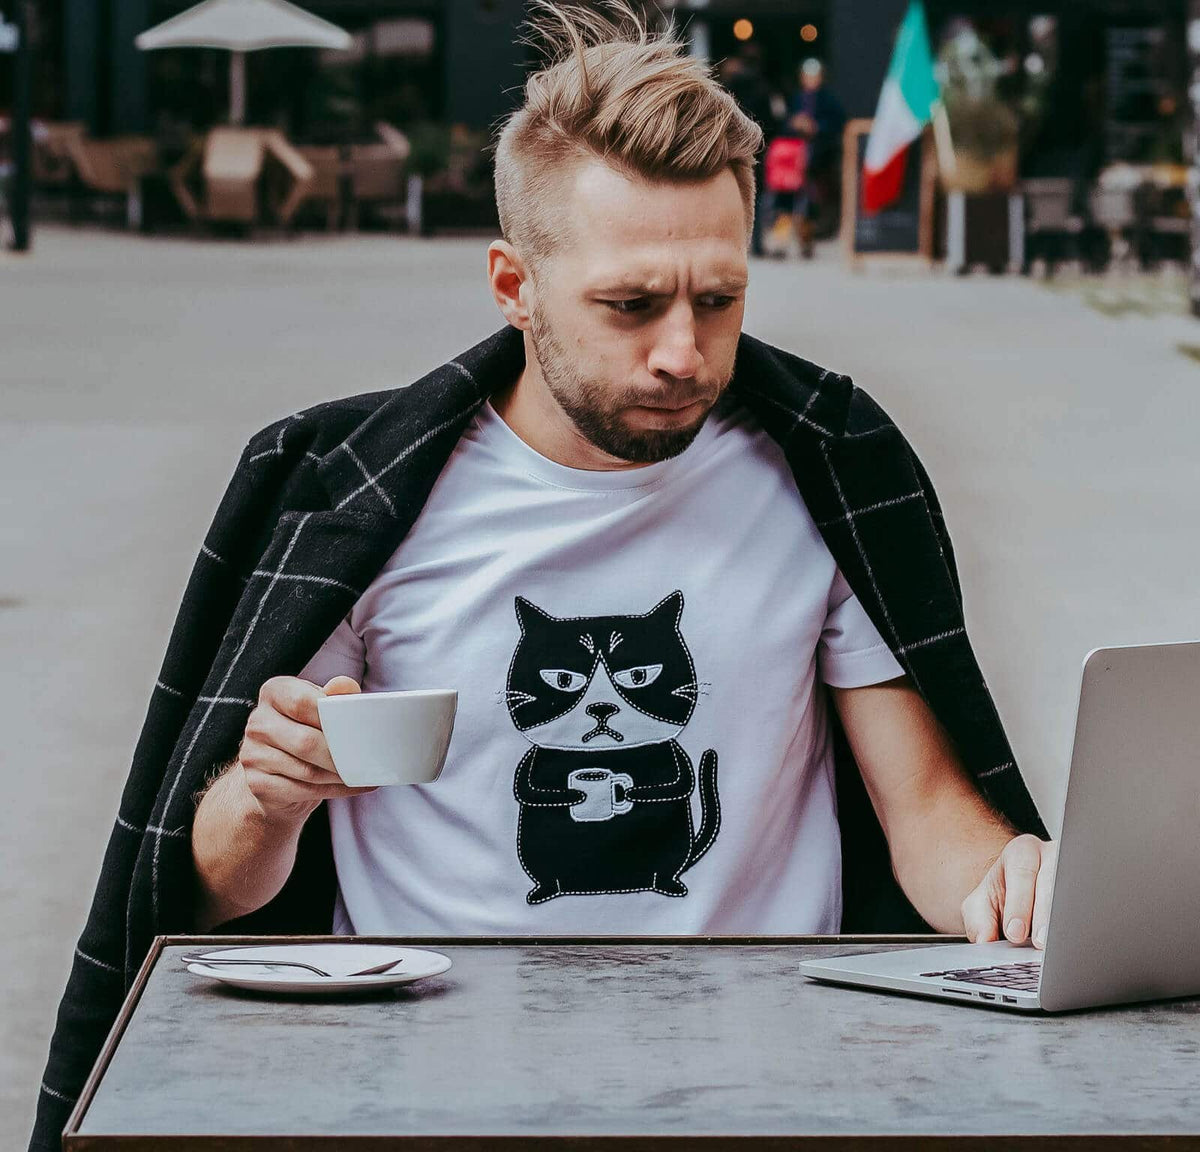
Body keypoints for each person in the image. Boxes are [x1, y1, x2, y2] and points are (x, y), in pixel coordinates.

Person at [29, 3, 1055, 1147]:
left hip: (768, 1086)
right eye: (629, 305)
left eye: (719, 300)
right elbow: (214, 893)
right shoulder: (361, 497)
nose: (683, 351)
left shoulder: (824, 469)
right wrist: (262, 798)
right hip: (427, 1088)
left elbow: (922, 813)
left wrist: (1014, 876)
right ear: (513, 285)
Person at [781, 57, 845, 258]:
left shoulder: (828, 99)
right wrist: (795, 124)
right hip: (797, 158)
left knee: (816, 200)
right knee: (796, 199)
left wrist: (817, 127)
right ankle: (800, 237)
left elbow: (838, 122)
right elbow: (787, 123)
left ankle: (814, 235)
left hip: (820, 157)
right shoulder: (798, 98)